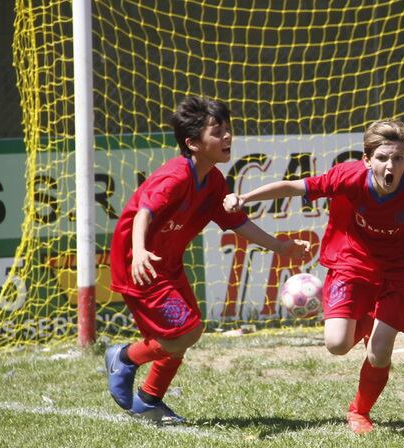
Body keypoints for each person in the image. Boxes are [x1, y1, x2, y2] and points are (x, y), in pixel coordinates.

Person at [223, 120, 404, 434]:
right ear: (367, 160)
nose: (390, 165)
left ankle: (359, 412)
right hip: (351, 265)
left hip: (399, 272)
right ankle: (366, 322)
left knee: (380, 351)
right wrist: (244, 198)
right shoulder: (349, 176)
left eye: (398, 158)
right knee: (337, 344)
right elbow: (295, 187)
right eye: (383, 158)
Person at [104, 96, 309, 424]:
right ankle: (124, 358)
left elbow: (237, 223)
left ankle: (148, 400)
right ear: (193, 143)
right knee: (187, 330)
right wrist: (140, 251)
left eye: (229, 129)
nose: (227, 137)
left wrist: (280, 247)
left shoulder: (213, 181)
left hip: (167, 265)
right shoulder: (176, 177)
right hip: (139, 265)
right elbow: (144, 212)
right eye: (218, 132)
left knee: (181, 333)